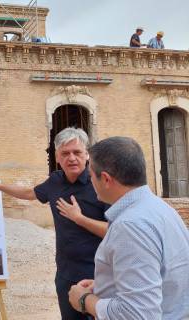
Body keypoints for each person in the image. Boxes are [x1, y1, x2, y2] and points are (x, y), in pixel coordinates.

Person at [0, 127, 108, 320]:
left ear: (87, 154)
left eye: (77, 152)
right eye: (65, 153)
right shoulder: (55, 181)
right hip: (65, 273)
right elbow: (30, 193)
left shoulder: (100, 184)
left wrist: (79, 219)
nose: (72, 158)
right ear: (57, 157)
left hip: (97, 275)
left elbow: (115, 231)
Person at [68, 137, 189, 319]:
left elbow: (137, 313)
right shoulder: (160, 208)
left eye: (91, 175)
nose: (90, 181)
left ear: (106, 179)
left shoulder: (130, 227)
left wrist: (85, 300)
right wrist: (108, 283)